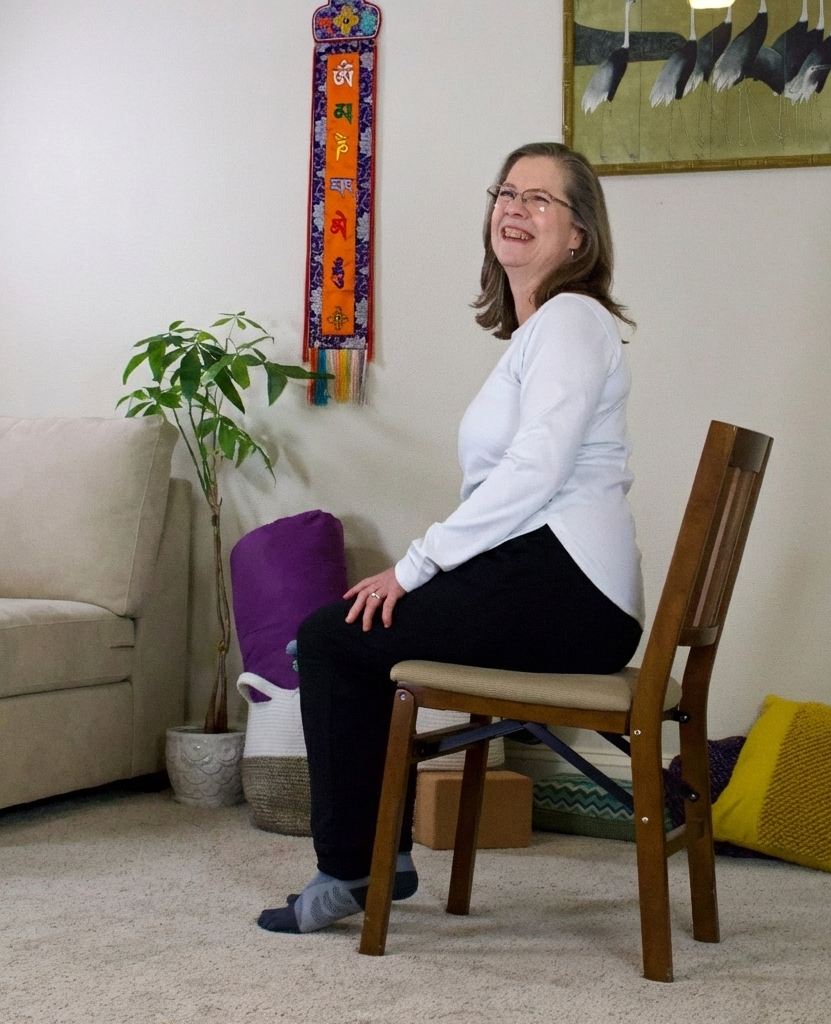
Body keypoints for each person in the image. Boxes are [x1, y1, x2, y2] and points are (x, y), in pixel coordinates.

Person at [258, 141, 644, 934]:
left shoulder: (572, 318)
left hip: (568, 588)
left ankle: (351, 871)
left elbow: (535, 473)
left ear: (579, 236)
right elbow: (514, 492)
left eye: (541, 199)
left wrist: (416, 565)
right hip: (556, 580)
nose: (515, 207)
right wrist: (415, 578)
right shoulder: (543, 333)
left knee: (333, 638)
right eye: (506, 192)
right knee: (349, 632)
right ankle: (375, 861)